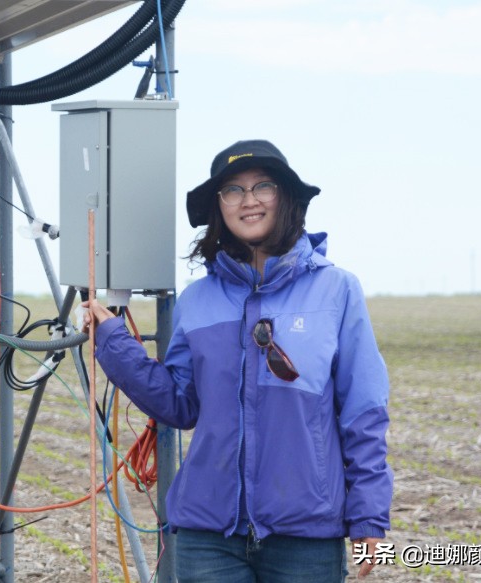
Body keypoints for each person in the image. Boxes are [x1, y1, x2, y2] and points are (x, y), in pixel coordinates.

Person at [82, 140, 393, 582]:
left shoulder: (337, 291)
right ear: (218, 207)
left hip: (305, 536)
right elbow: (180, 405)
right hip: (207, 537)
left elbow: (364, 412)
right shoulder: (197, 300)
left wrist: (368, 515)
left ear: (286, 198)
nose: (249, 200)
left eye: (263, 186)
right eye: (233, 190)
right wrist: (114, 342)